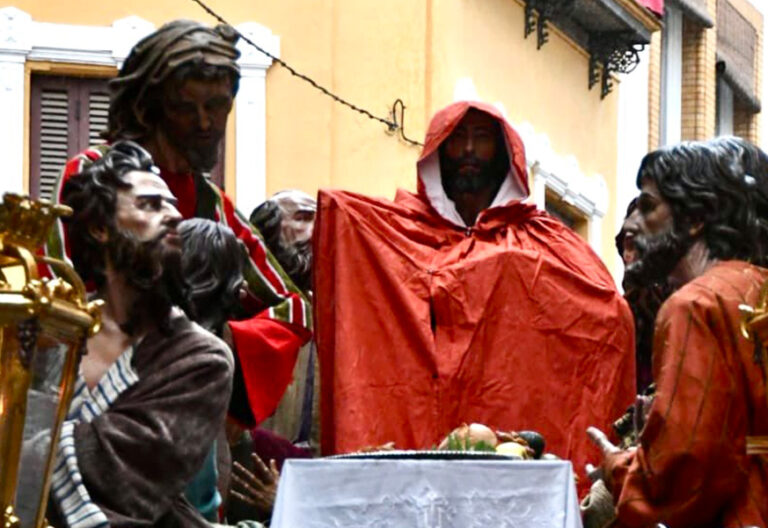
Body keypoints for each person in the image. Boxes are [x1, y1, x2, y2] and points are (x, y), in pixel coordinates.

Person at [314, 101, 635, 485]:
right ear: (438, 152)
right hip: (415, 418)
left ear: (502, 154)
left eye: (481, 138)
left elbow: (606, 313)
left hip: (510, 428)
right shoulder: (394, 230)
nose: (468, 150)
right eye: (458, 139)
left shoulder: (544, 239)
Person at [42, 20, 311, 429]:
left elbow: (294, 307)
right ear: (151, 106)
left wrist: (215, 344)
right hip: (90, 395)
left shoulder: (214, 205)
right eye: (187, 107)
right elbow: (53, 288)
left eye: (217, 106)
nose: (206, 123)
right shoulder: (95, 176)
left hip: (188, 408)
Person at [48, 141, 233, 527]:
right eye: (150, 205)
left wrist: (26, 441)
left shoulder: (201, 358)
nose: (172, 216)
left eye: (172, 205)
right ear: (100, 228)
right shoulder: (54, 332)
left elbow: (125, 482)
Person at [587, 136, 768, 527]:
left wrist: (617, 466)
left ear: (695, 218)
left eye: (649, 207)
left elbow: (683, 473)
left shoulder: (695, 305)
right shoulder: (756, 286)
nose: (632, 224)